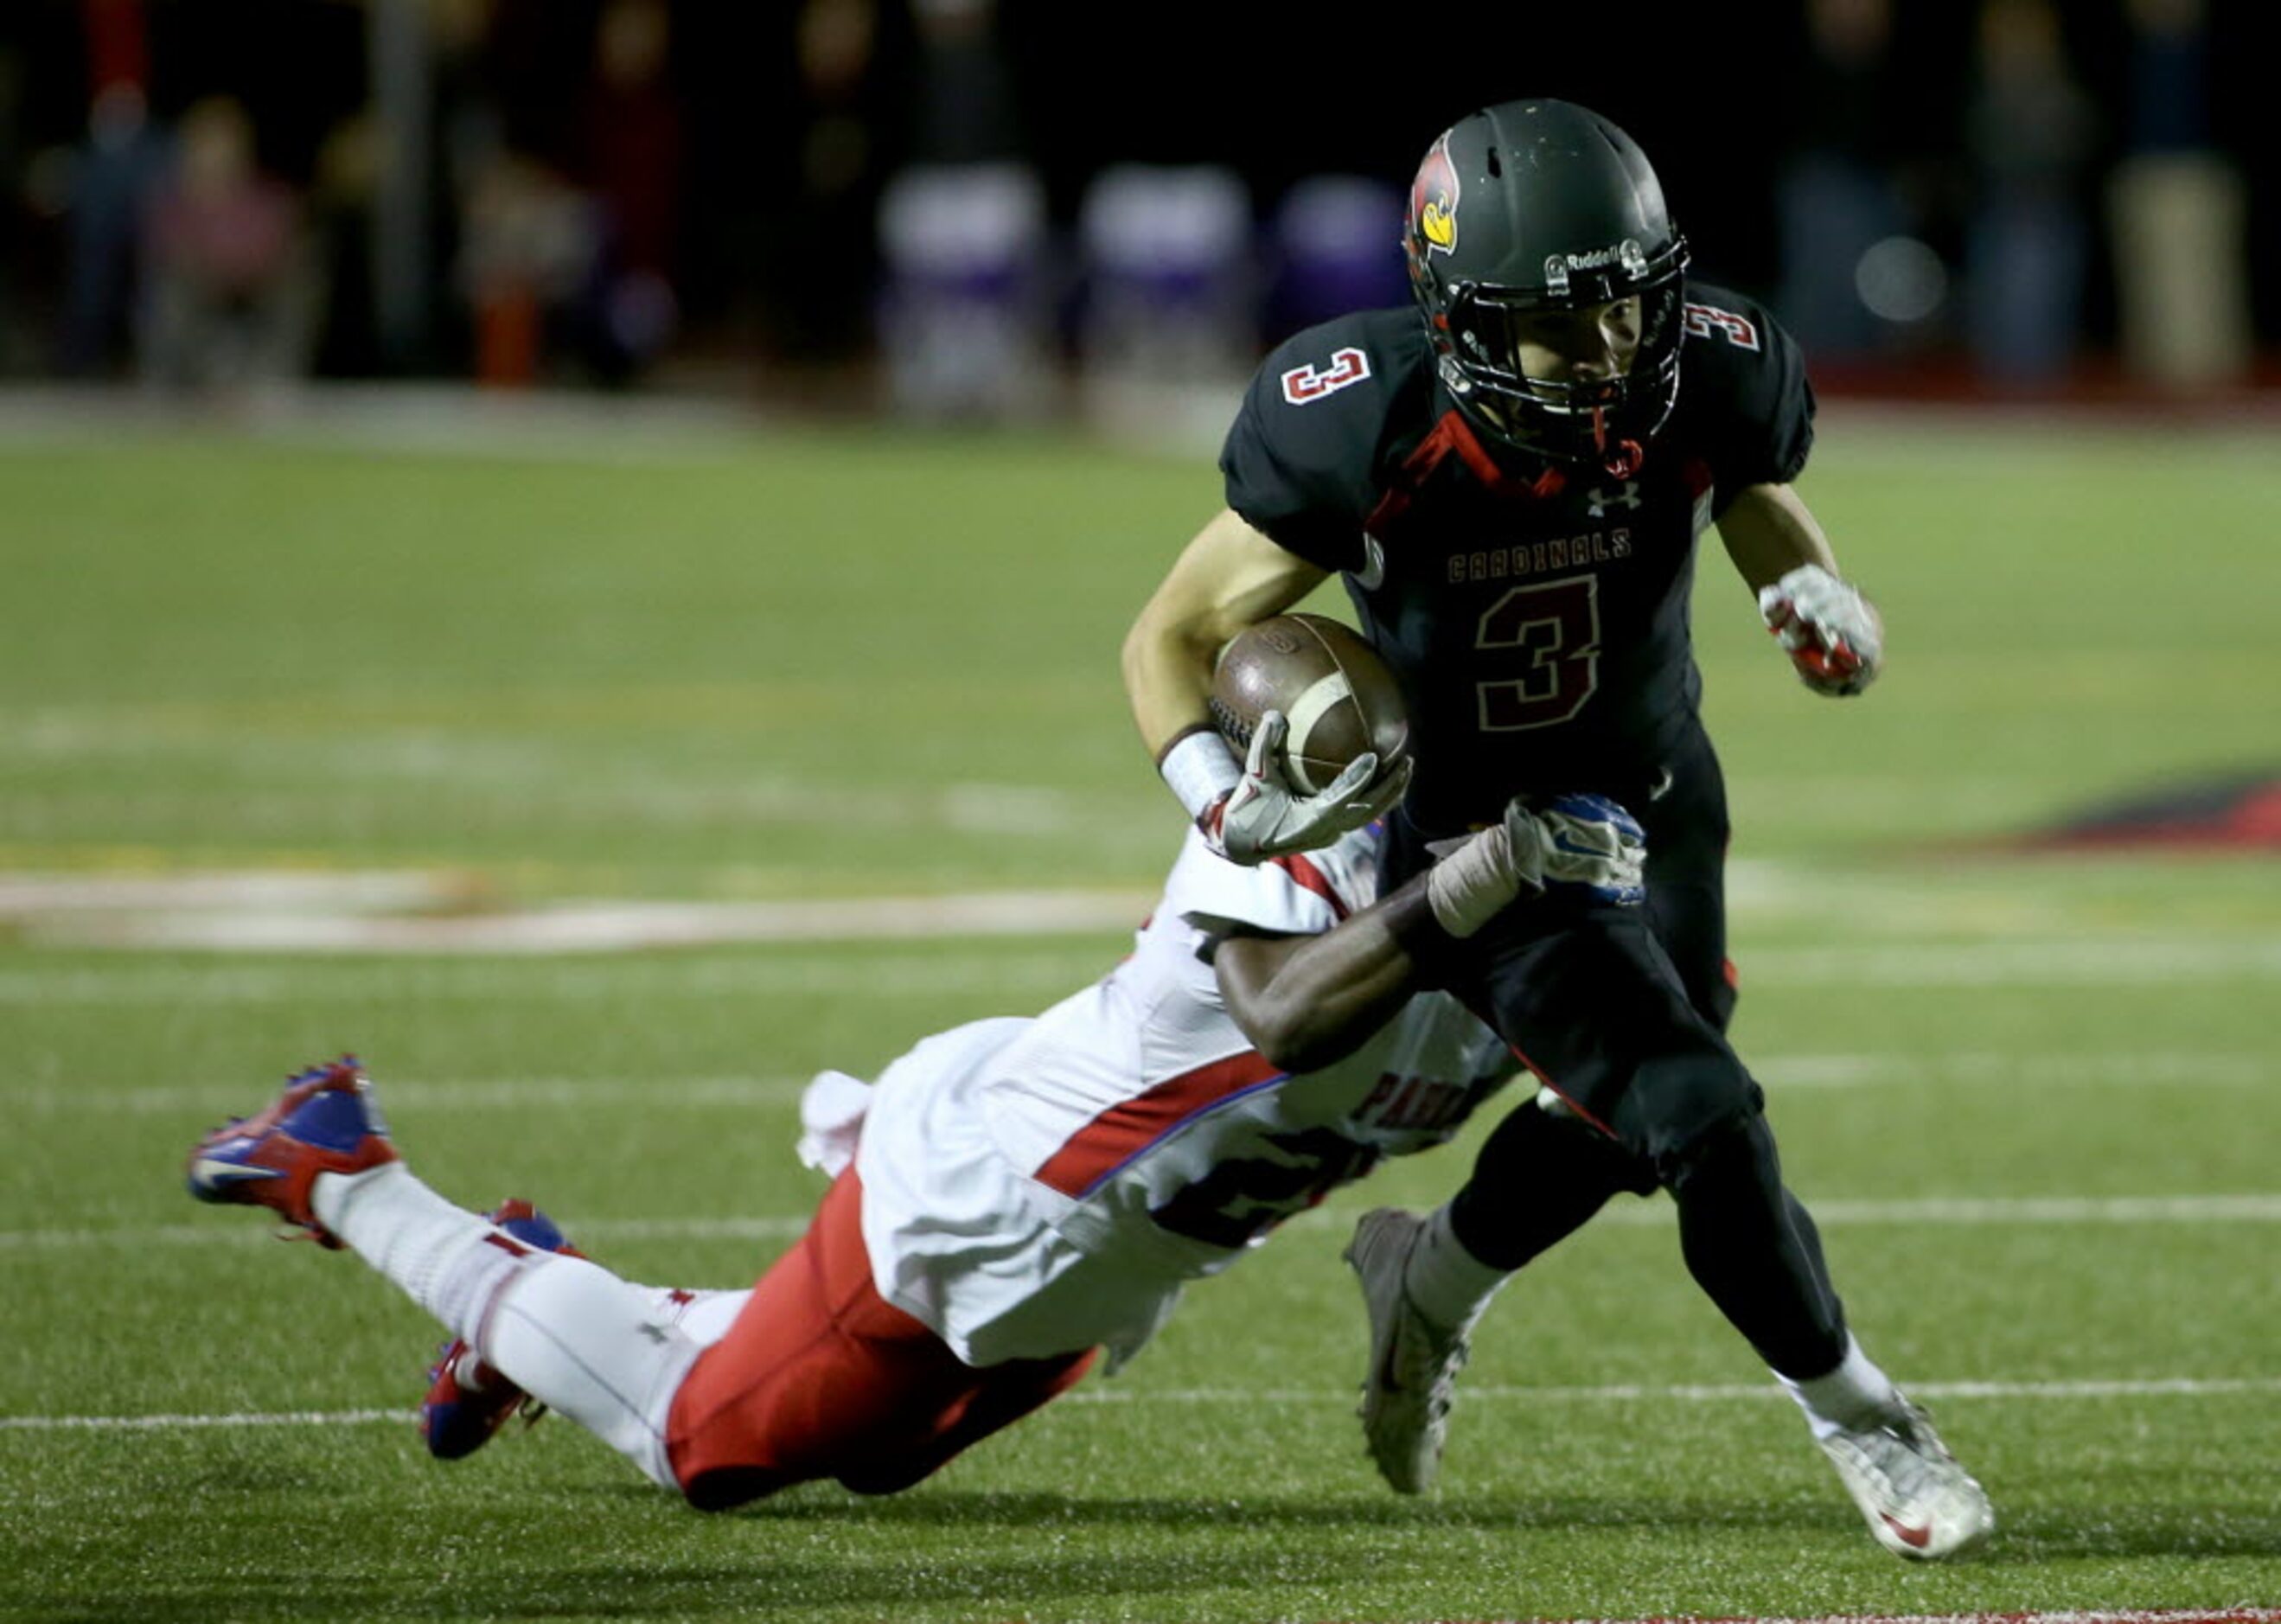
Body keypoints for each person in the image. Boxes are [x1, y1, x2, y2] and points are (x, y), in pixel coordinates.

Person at [1120, 98, 1994, 1561]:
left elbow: (1752, 493)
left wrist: (1823, 598)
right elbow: (1174, 629)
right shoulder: (1366, 417)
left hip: (1660, 786)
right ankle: (1864, 1416)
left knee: (1623, 1121)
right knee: (1699, 1111)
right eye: (1558, 327)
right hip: (1494, 836)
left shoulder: (1705, 364)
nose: (1605, 354)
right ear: (1458, 317)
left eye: (1623, 310)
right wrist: (1218, 794)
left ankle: (1429, 1280)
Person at [184, 785, 1645, 1509]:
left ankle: (553, 1300)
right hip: (987, 1204)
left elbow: (1621, 1100)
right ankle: (344, 1167)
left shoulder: (1522, 975)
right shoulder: (1300, 848)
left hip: (1104, 1263)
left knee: (866, 1462)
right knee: (707, 1448)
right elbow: (1284, 1013)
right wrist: (1466, 887)